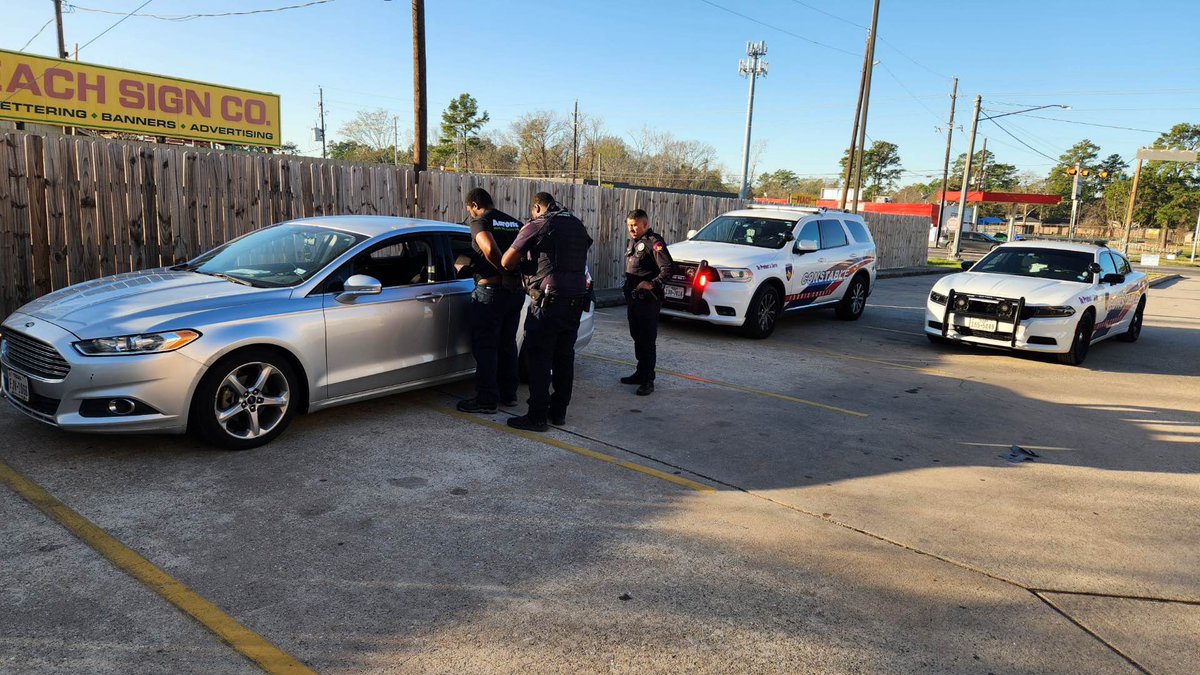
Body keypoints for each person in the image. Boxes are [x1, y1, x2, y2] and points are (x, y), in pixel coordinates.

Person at [501, 192, 592, 432]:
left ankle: (537, 416)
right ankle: (558, 412)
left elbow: (507, 261)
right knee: (564, 358)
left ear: (537, 207)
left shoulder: (538, 224)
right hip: (575, 302)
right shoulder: (577, 225)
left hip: (547, 304)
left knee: (539, 359)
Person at [457, 187, 525, 414]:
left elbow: (489, 249)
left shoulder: (481, 221)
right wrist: (516, 275)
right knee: (507, 344)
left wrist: (504, 272)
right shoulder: (514, 223)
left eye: (470, 210)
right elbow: (527, 252)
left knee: (486, 347)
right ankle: (509, 394)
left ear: (475, 205)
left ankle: (486, 399)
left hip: (491, 292)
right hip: (514, 293)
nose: (470, 214)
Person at [621, 209, 672, 396]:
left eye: (635, 225)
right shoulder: (634, 243)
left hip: (648, 301)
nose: (632, 229)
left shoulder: (654, 243)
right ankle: (640, 372)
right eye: (629, 225)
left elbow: (667, 268)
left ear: (645, 224)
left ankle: (648, 380)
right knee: (637, 337)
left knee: (647, 340)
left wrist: (652, 283)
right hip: (634, 299)